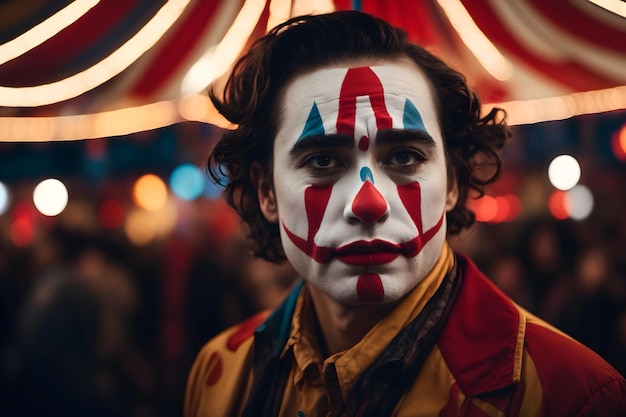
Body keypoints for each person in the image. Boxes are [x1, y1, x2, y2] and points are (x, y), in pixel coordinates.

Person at [184, 11, 626, 417]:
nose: (368, 203)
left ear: (453, 182)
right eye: (321, 161)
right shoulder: (219, 374)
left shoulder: (571, 395)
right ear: (267, 192)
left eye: (404, 156)